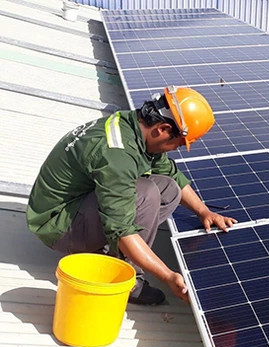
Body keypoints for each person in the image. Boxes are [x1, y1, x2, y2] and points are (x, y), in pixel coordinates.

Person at [27, 86, 237, 305]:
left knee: (169, 189)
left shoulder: (136, 127)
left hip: (79, 204)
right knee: (146, 194)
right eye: (179, 143)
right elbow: (122, 229)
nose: (177, 149)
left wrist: (204, 212)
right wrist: (167, 276)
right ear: (163, 129)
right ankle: (126, 280)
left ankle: (113, 250)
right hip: (59, 226)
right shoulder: (118, 154)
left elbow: (171, 174)